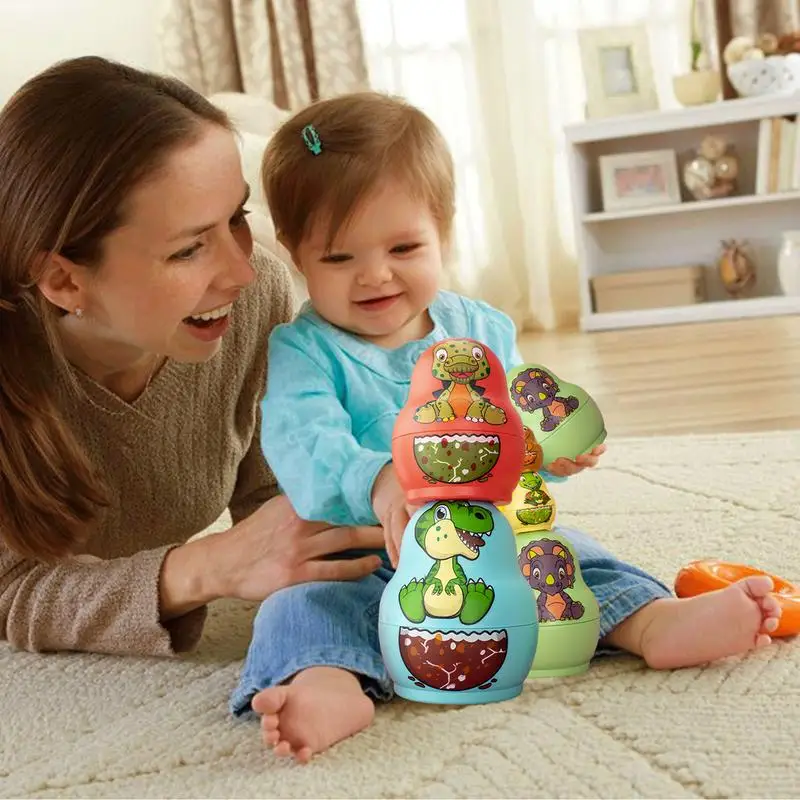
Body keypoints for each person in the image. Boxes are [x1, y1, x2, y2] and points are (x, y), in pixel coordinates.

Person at [230, 91, 782, 762]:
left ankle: (651, 622)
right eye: (339, 258)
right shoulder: (304, 351)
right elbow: (304, 443)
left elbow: (518, 423)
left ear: (444, 232)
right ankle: (327, 682)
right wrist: (378, 482)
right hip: (371, 558)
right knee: (297, 608)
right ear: (295, 253)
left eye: (404, 247)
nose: (374, 274)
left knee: (571, 557)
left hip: (494, 546)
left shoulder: (479, 329)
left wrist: (549, 451)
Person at [0, 57, 385, 659]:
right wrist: (205, 567)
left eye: (237, 218)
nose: (241, 271)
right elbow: (12, 591)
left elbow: (277, 494)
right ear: (65, 280)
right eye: (187, 250)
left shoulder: (256, 297)